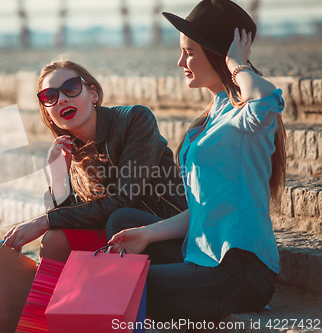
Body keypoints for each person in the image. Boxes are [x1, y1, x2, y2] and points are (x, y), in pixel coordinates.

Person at [107, 0, 286, 323]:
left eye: (189, 52)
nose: (180, 61)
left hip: (239, 271)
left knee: (125, 287)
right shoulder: (215, 111)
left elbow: (266, 100)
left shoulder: (244, 117)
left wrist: (237, 64)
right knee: (122, 222)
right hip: (202, 256)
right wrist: (147, 234)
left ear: (217, 54)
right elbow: (203, 209)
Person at [3, 59, 187, 262]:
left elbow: (123, 200)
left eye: (71, 88)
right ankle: (50, 294)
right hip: (116, 235)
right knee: (55, 239)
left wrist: (42, 222)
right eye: (50, 96)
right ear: (47, 111)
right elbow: (71, 220)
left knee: (121, 218)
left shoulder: (135, 120)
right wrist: (58, 178)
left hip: (168, 234)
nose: (62, 99)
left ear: (93, 94)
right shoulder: (69, 153)